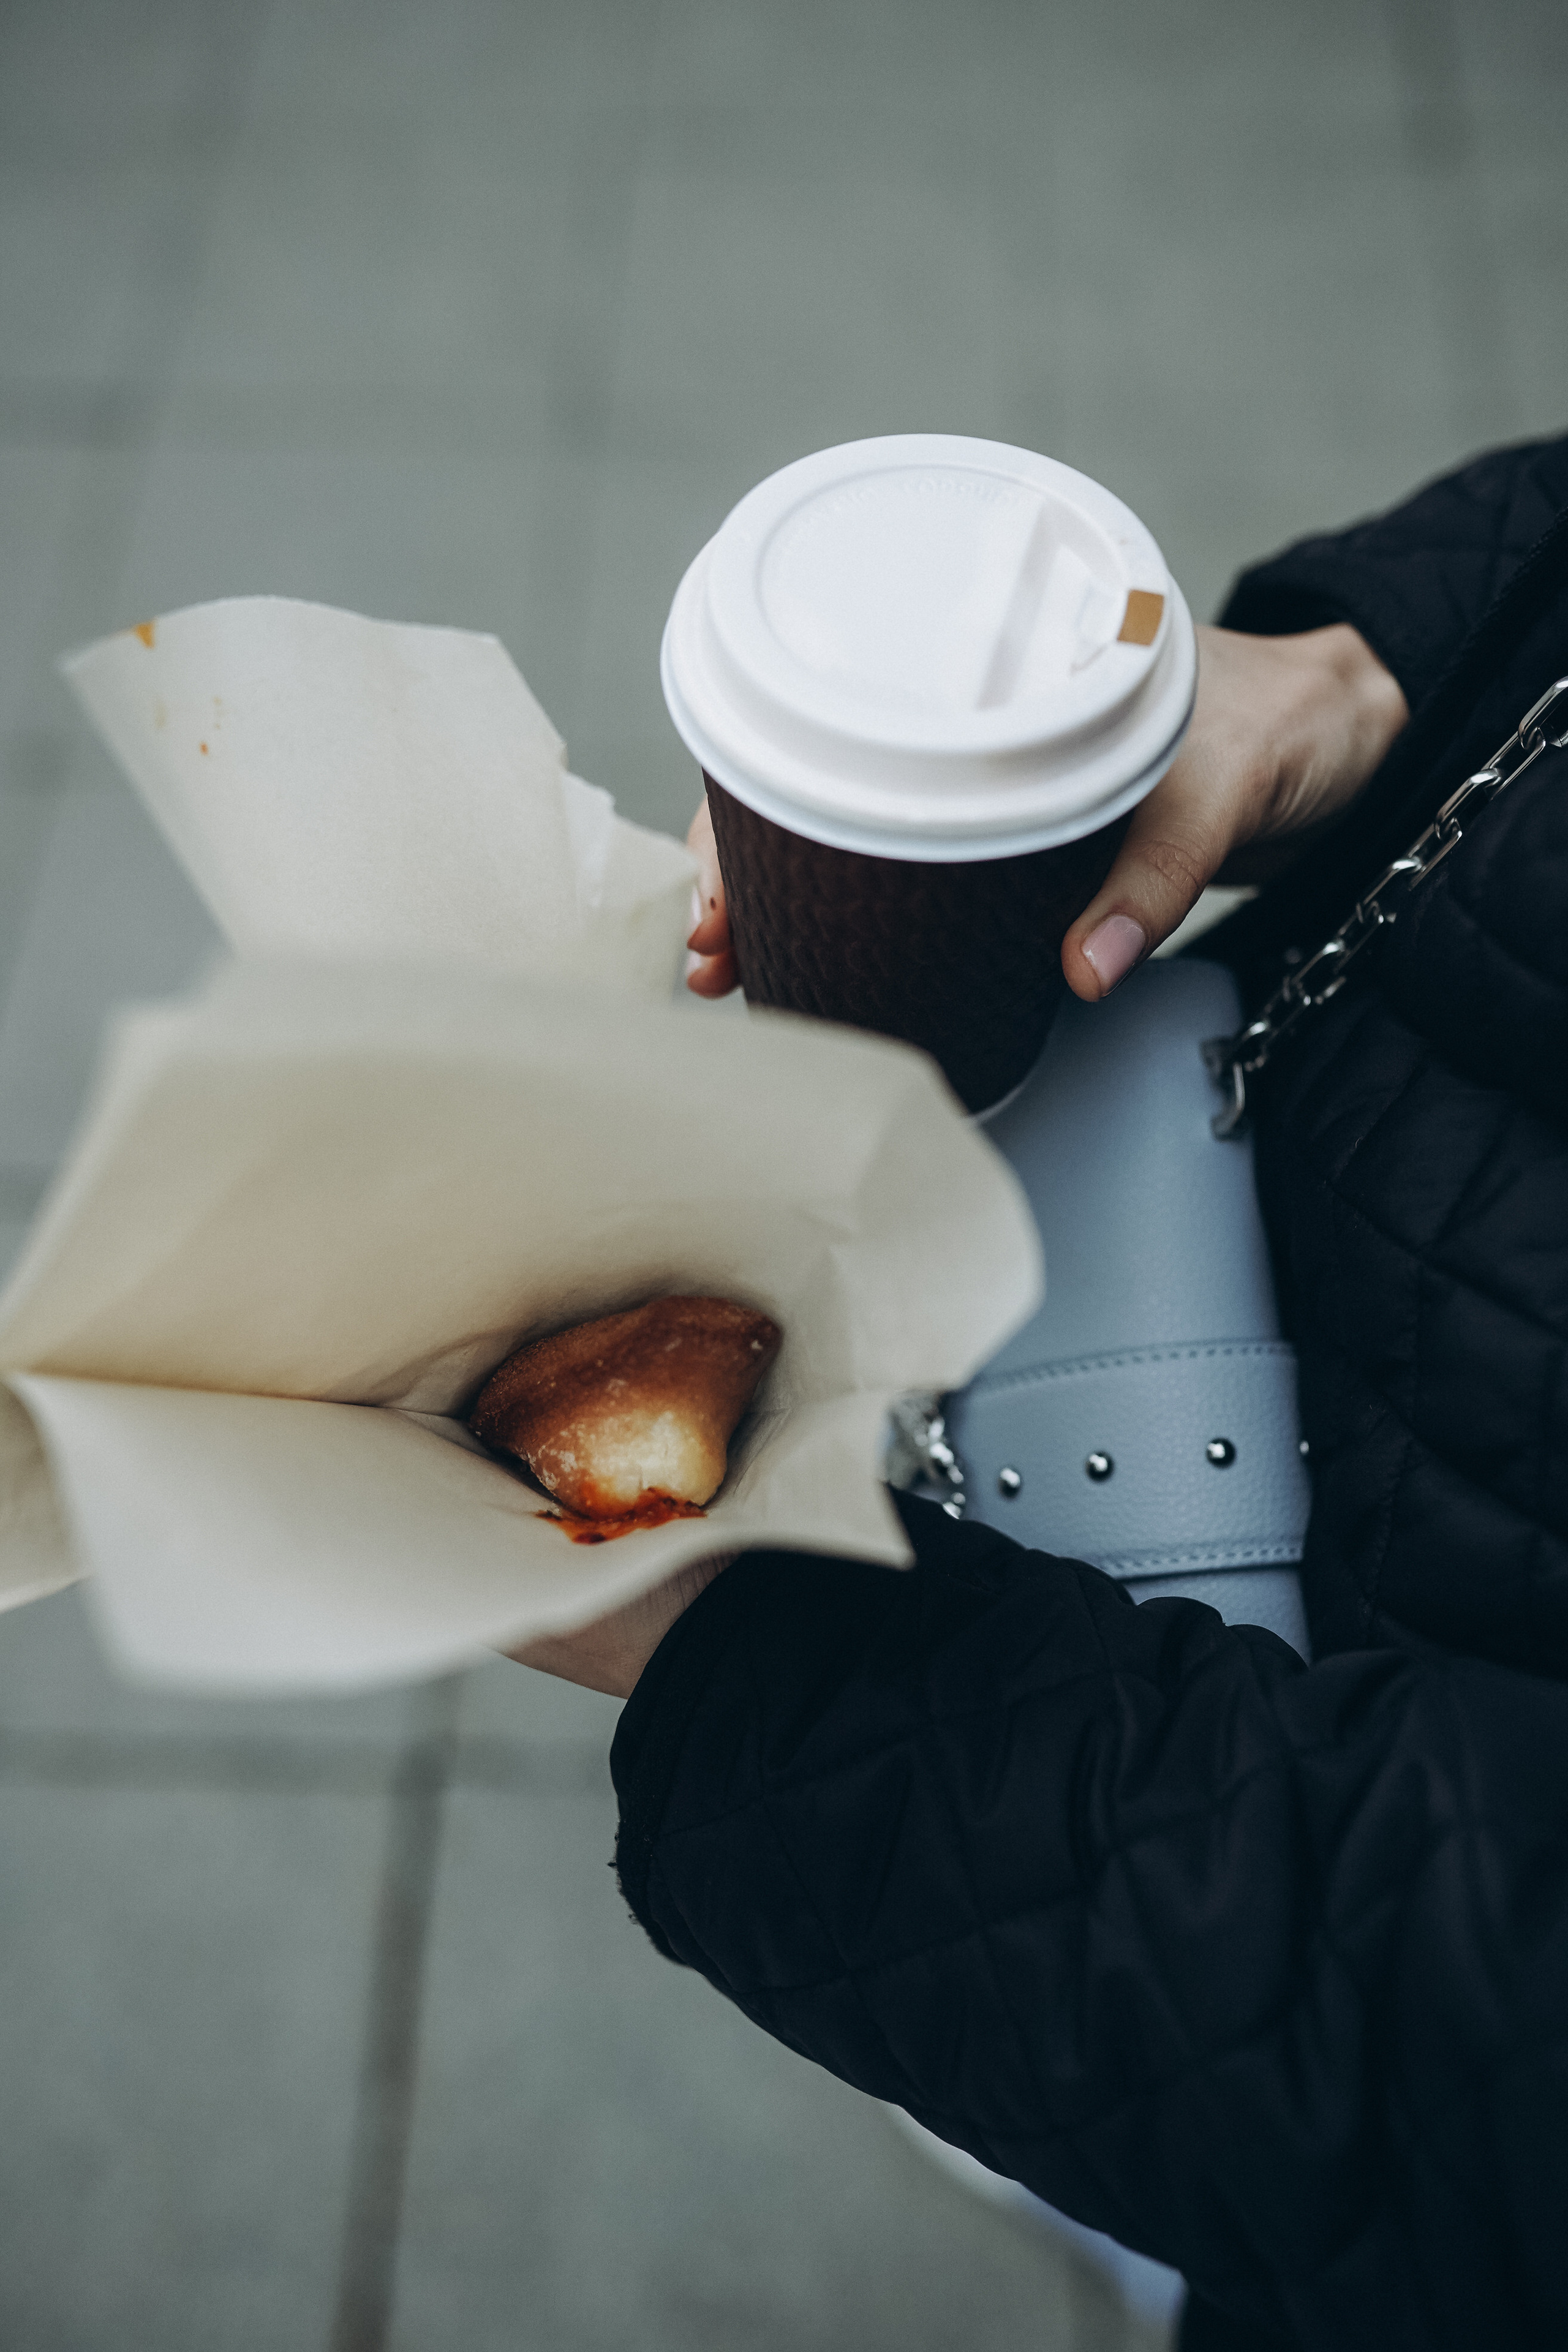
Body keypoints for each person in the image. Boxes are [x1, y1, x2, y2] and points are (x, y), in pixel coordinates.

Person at [513, 435, 1568, 2352]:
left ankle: (1142, 2213)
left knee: (1216, 2210)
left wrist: (787, 1681)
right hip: (1259, 1227)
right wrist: (1388, 649)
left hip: (1285, 1859)